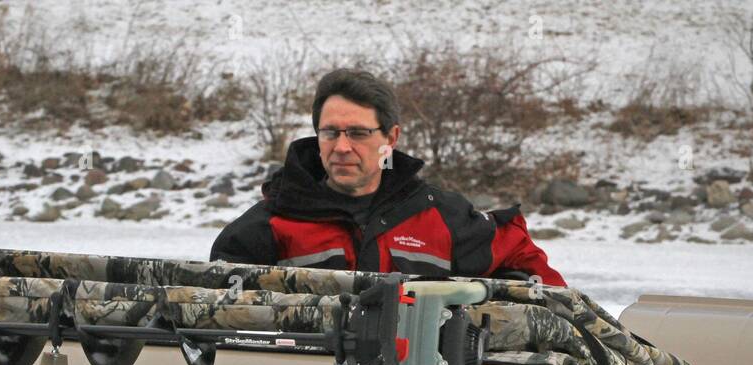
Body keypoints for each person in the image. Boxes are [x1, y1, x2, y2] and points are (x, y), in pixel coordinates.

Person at [210, 68, 567, 286]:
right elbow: (215, 314)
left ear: (391, 139)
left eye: (359, 134)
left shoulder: (439, 217)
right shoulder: (272, 223)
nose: (342, 147)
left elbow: (525, 262)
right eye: (330, 132)